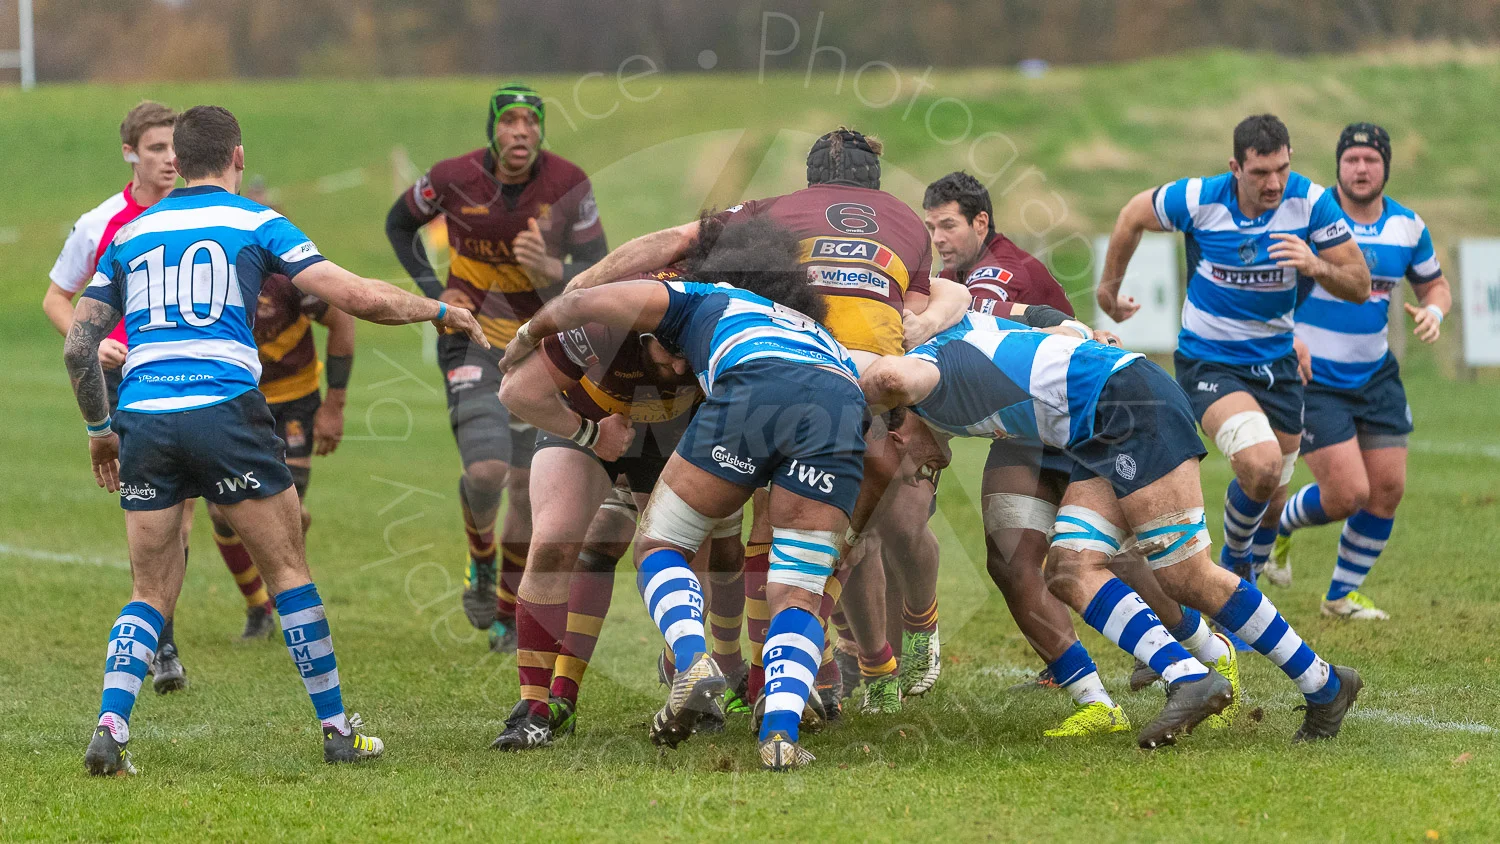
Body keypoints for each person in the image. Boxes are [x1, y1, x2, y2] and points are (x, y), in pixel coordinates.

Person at [67, 105, 486, 775]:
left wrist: (98, 431)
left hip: (143, 415)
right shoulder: (257, 222)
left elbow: (78, 344)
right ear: (236, 157)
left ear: (179, 158)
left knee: (149, 591)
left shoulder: (131, 232)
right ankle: (337, 730)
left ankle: (111, 728)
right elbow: (354, 295)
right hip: (225, 412)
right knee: (288, 568)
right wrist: (435, 309)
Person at [565, 128, 971, 711]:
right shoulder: (908, 223)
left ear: (811, 179)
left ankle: (774, 681)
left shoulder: (773, 211)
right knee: (843, 542)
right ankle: (858, 669)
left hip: (783, 374)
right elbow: (912, 315)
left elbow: (672, 242)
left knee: (759, 532)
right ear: (874, 182)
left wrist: (583, 287)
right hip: (873, 397)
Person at [501, 246, 950, 769]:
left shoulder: (693, 298)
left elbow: (576, 303)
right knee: (799, 591)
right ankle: (779, 736)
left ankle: (694, 661)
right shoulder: (810, 327)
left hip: (751, 389)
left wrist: (525, 333)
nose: (678, 365)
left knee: (659, 544)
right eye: (670, 355)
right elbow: (875, 394)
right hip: (835, 402)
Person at [861, 313, 1364, 747]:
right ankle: (1191, 675)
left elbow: (884, 375)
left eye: (898, 464)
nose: (913, 475)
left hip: (1129, 405)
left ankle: (1323, 684)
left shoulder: (923, 380)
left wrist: (846, 397)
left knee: (1188, 577)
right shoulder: (947, 355)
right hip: (1101, 424)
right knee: (1068, 569)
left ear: (896, 429)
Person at [1097, 115, 1371, 623]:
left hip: (1279, 363)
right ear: (1235, 167)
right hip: (1210, 360)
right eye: (1261, 172)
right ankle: (1235, 568)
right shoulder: (1201, 199)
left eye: (1282, 170)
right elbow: (1133, 213)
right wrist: (1107, 290)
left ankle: (1243, 574)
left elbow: (1358, 283)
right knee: (1261, 463)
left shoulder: (1309, 203)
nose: (1273, 183)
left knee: (1271, 493)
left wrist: (1316, 266)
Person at [385, 83, 608, 651]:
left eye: (531, 123)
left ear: (540, 133)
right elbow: (398, 223)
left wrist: (552, 268)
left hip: (543, 348)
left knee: (527, 488)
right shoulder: (452, 176)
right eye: (509, 122)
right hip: (472, 339)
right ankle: (480, 560)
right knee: (486, 473)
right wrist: (436, 297)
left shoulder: (568, 184)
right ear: (494, 130)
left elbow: (599, 266)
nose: (521, 132)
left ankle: (509, 611)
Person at [1265, 123, 1452, 620]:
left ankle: (1340, 596)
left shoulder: (1407, 226)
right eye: (1352, 159)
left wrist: (1433, 312)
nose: (1361, 168)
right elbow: (1266, 287)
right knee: (1349, 494)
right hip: (1313, 377)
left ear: (1386, 165)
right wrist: (1289, 335)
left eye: (1371, 159)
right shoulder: (1310, 216)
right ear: (1338, 165)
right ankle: (1280, 523)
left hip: (1375, 374)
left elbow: (1435, 286)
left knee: (1387, 489)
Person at [43, 100, 194, 692]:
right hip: (125, 382)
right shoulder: (101, 221)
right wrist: (94, 338)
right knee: (159, 516)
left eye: (176, 148)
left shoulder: (197, 213)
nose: (170, 160)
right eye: (157, 148)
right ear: (130, 153)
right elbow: (57, 297)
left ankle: (161, 634)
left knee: (183, 518)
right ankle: (165, 642)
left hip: (188, 375)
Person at [207, 268, 356, 640]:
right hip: (236, 403)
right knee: (220, 512)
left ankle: (294, 609)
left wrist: (334, 406)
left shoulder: (290, 276)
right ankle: (259, 606)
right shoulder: (206, 275)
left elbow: (341, 322)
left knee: (281, 513)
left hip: (294, 404)